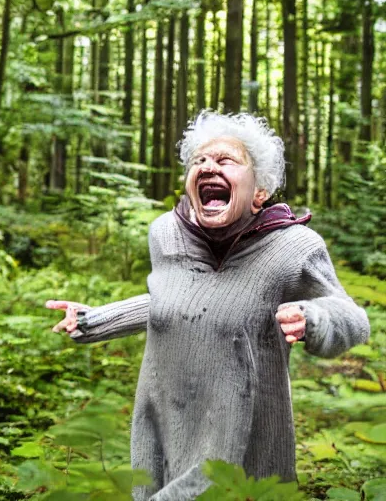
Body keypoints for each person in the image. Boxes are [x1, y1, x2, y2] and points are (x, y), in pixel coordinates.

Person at [46, 111, 370, 501]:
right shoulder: (166, 233)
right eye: (199, 160)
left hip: (246, 430)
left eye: (225, 160)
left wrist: (313, 318)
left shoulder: (294, 248)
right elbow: (173, 299)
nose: (207, 166)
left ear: (260, 191)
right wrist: (93, 320)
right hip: (168, 411)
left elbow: (354, 319)